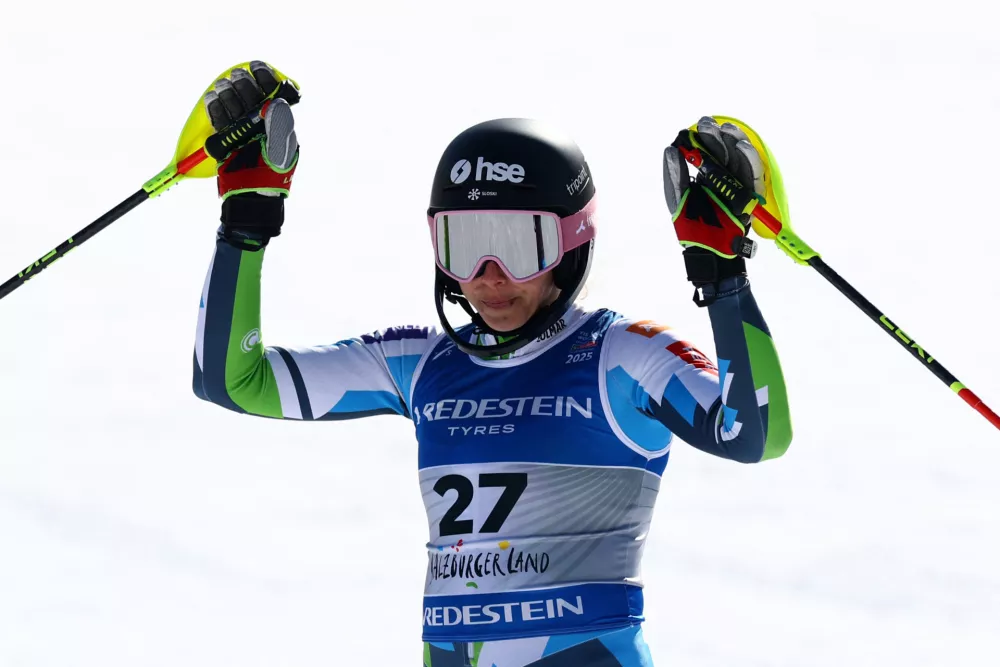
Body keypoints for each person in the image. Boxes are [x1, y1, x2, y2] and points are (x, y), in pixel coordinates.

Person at [192, 62, 793, 667]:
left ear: (572, 245)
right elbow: (231, 381)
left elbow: (757, 435)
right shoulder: (421, 363)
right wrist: (246, 224)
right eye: (463, 245)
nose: (488, 277)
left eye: (517, 246)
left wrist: (723, 279)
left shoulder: (624, 356)